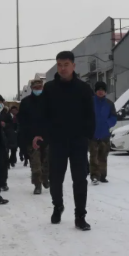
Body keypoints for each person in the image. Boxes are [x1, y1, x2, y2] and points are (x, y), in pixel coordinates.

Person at [34, 51, 95, 231]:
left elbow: (90, 115)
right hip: (57, 141)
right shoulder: (50, 88)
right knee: (55, 179)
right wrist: (40, 134)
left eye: (66, 64)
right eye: (59, 65)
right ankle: (57, 206)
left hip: (78, 141)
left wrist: (88, 136)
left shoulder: (84, 88)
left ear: (73, 66)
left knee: (80, 179)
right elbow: (43, 114)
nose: (62, 68)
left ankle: (80, 216)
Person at [19, 79, 49, 195]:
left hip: (46, 137)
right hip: (31, 139)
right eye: (35, 88)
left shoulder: (48, 100)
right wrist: (30, 137)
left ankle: (45, 178)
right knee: (36, 163)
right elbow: (22, 122)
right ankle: (37, 184)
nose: (38, 90)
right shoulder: (25, 102)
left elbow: (52, 119)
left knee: (47, 162)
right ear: (32, 88)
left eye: (39, 88)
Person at [90, 81, 117, 185]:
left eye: (102, 90)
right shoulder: (90, 102)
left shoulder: (109, 104)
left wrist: (107, 123)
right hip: (93, 134)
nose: (100, 92)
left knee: (103, 156)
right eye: (98, 90)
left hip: (105, 134)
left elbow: (113, 117)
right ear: (95, 91)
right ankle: (94, 176)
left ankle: (102, 175)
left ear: (105, 92)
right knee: (93, 156)